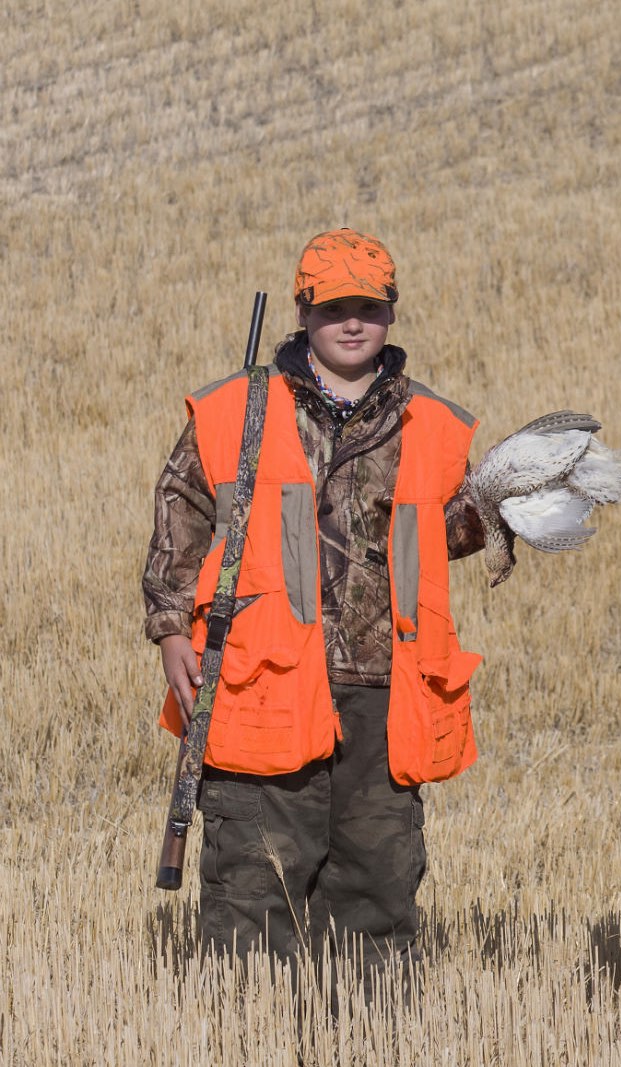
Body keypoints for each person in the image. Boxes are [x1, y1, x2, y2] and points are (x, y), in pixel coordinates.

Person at [144, 228, 486, 965]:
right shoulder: (240, 408)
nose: (352, 321)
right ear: (304, 313)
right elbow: (181, 504)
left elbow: (456, 528)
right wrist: (172, 625)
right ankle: (249, 1033)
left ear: (391, 312)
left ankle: (363, 1035)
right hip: (261, 684)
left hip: (386, 692)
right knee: (252, 888)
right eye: (334, 308)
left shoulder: (431, 422)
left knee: (379, 890)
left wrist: (509, 519)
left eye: (368, 304)